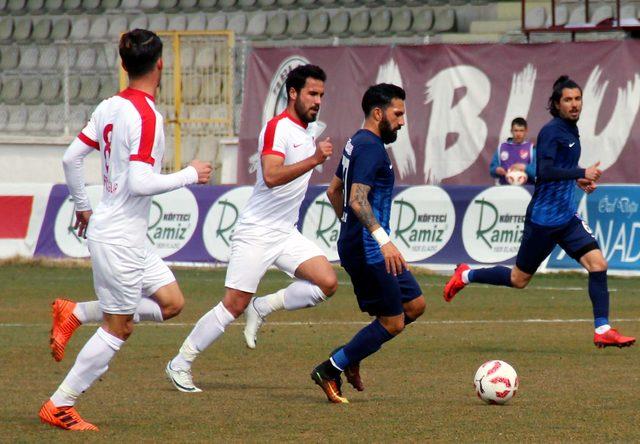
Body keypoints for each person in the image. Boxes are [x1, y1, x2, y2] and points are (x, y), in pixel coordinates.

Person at [39, 29, 212, 431]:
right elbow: (139, 181)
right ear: (160, 65)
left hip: (125, 233)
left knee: (171, 303)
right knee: (120, 326)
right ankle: (61, 404)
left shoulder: (109, 106)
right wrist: (190, 174)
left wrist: (83, 206)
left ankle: (76, 311)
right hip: (119, 238)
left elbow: (70, 158)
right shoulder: (147, 115)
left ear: (123, 65)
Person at [165, 64, 338, 393]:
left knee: (327, 282)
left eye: (321, 95)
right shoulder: (277, 129)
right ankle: (180, 363)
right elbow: (271, 177)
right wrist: (315, 160)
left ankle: (265, 306)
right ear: (293, 93)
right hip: (257, 230)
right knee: (233, 304)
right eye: (312, 94)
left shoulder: (307, 131)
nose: (318, 100)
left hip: (285, 232)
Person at [444, 75, 635, 349]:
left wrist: (576, 179)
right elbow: (544, 170)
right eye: (568, 100)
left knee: (598, 265)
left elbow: (559, 169)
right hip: (543, 220)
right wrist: (581, 172)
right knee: (518, 279)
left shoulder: (571, 130)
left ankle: (602, 329)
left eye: (577, 99)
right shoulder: (551, 131)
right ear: (556, 104)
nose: (574, 104)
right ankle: (465, 274)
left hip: (566, 218)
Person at [309, 84, 426, 404]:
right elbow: (357, 201)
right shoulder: (371, 148)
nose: (402, 121)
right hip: (370, 248)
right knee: (393, 321)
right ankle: (329, 369)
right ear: (378, 113)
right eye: (398, 114)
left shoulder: (355, 143)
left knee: (415, 305)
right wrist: (380, 240)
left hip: (364, 243)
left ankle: (351, 354)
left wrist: (348, 227)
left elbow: (335, 192)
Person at [489, 117, 536, 185]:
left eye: (521, 130)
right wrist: (496, 170)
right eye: (516, 130)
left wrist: (525, 168)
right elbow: (492, 170)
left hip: (526, 190)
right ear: (511, 131)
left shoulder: (532, 149)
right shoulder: (502, 147)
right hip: (505, 189)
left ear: (526, 131)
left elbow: (538, 174)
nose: (518, 134)